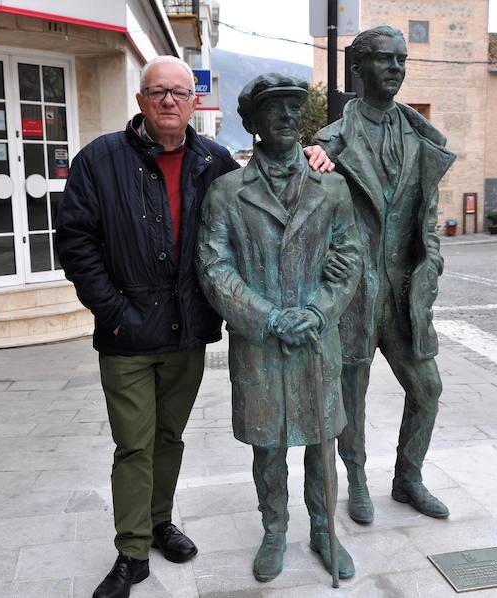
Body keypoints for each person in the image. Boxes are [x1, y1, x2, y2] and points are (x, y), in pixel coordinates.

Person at [55, 56, 334, 598]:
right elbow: (75, 242)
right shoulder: (100, 160)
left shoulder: (214, 160)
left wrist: (310, 154)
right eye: (158, 91)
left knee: (168, 437)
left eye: (179, 93)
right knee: (133, 444)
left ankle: (159, 522)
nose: (169, 100)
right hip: (127, 334)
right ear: (140, 100)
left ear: (193, 102)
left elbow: (262, 183)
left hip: (185, 333)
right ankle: (132, 551)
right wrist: (114, 312)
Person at [197, 73, 362, 582]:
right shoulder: (226, 193)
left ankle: (323, 530)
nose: (288, 117)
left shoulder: (332, 187)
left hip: (316, 337)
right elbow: (214, 267)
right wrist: (267, 317)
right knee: (268, 447)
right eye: (275, 108)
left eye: (295, 108)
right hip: (260, 345)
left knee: (321, 443)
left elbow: (348, 258)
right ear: (252, 121)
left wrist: (318, 311)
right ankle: (274, 530)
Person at [315, 26, 457, 524]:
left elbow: (427, 219)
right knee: (351, 394)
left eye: (401, 59)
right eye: (384, 59)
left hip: (404, 293)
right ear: (358, 68)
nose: (395, 67)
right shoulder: (329, 144)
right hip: (354, 294)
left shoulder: (421, 139)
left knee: (428, 388)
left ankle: (408, 478)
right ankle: (356, 479)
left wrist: (432, 262)